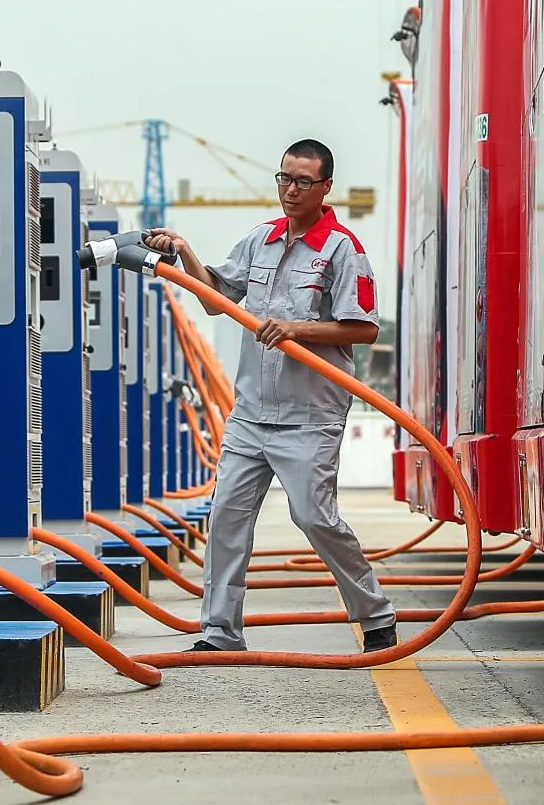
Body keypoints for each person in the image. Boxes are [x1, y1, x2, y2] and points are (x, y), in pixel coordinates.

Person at [143, 139, 398, 653]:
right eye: (284, 178)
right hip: (251, 413)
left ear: (326, 187)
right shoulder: (260, 240)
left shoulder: (342, 249)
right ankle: (218, 633)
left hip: (309, 415)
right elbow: (218, 300)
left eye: (303, 181)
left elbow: (363, 329)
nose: (291, 189)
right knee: (227, 516)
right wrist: (187, 252)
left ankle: (375, 613)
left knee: (313, 516)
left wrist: (299, 328)